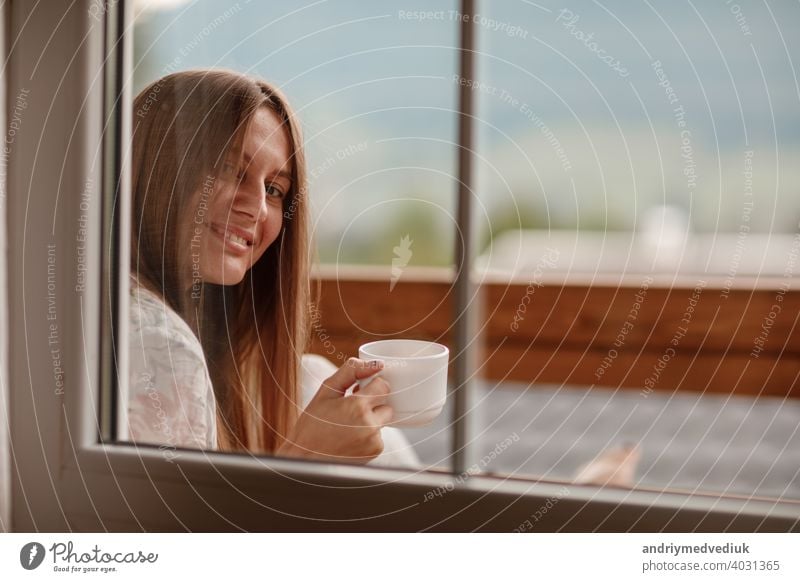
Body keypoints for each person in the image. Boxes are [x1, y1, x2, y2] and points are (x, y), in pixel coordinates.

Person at [127, 69, 419, 467]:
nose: (258, 207)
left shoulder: (141, 318)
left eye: (274, 189)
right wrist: (307, 458)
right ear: (159, 168)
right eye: (230, 169)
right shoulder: (161, 344)